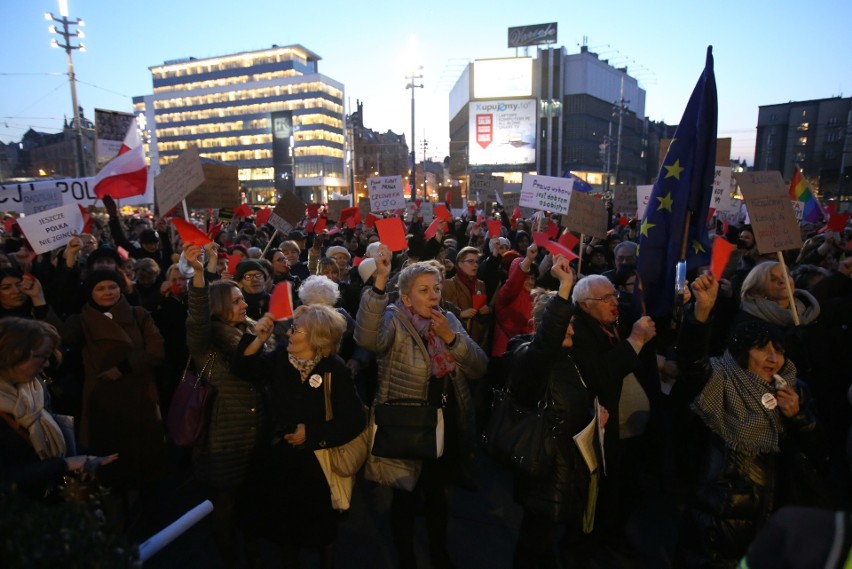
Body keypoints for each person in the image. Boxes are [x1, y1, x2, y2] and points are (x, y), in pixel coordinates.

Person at [674, 272, 823, 568]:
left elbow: (817, 452)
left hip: (775, 518)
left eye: (778, 350)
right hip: (722, 524)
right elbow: (691, 361)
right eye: (762, 349)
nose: (773, 358)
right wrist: (701, 313)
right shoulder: (719, 381)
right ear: (742, 354)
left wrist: (799, 418)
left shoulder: (794, 389)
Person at [355, 248, 488, 569]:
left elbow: (479, 366)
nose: (433, 296)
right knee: (405, 497)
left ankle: (440, 554)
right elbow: (368, 338)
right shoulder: (393, 319)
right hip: (407, 424)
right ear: (406, 296)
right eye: (424, 290)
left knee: (438, 496)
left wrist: (452, 339)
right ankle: (406, 558)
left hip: (444, 420)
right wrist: (379, 284)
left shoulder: (450, 319)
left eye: (437, 289)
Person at [233, 304, 366, 568]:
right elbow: (244, 369)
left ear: (317, 336)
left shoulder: (333, 369)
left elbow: (354, 420)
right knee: (285, 531)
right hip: (278, 461)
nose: (288, 334)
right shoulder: (280, 359)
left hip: (317, 465)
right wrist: (258, 338)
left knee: (321, 529)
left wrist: (312, 433)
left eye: (296, 329)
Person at [505, 255, 607, 568]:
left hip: (566, 465)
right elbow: (546, 344)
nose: (572, 334)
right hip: (544, 468)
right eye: (566, 328)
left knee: (545, 539)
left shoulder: (567, 358)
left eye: (572, 327)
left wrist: (593, 417)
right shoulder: (530, 358)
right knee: (536, 542)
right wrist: (565, 288)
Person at [183, 243, 273, 568]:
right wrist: (198, 274)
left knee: (252, 504)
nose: (244, 303)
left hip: (256, 434)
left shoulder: (249, 331)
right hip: (223, 440)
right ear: (219, 306)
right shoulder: (206, 344)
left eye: (242, 299)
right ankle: (228, 559)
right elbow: (195, 317)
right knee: (225, 507)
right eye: (235, 301)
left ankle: (253, 554)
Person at [60, 269, 166, 534]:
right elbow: (57, 336)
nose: (108, 292)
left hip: (140, 399)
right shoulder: (82, 320)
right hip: (103, 404)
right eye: (100, 288)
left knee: (145, 466)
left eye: (112, 286)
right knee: (112, 470)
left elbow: (157, 350)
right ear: (91, 293)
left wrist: (125, 367)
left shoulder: (139, 315)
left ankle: (150, 526)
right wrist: (39, 300)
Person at [569, 274, 658, 554]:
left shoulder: (617, 322)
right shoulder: (579, 332)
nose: (613, 303)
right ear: (585, 305)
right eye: (604, 298)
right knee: (604, 490)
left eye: (614, 296)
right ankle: (591, 542)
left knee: (628, 487)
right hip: (605, 427)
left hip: (633, 427)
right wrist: (634, 341)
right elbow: (599, 375)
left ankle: (614, 532)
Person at [0, 317, 117, 499]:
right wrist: (64, 465)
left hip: (50, 497)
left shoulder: (32, 388)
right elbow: (6, 478)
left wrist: (86, 457)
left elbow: (50, 437)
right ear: (15, 355)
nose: (47, 364)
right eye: (43, 356)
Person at [441, 246, 492, 350]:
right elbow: (443, 312)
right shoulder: (449, 284)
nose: (475, 265)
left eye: (477, 262)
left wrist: (486, 311)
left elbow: (484, 317)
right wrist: (461, 313)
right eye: (471, 261)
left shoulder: (480, 285)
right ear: (460, 263)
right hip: (456, 340)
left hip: (477, 341)